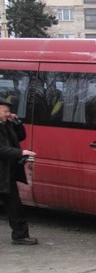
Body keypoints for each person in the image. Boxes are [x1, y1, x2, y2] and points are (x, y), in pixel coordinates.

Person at [0, 97, 38, 245]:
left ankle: (20, 235)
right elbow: (1, 149)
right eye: (5, 111)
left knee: (14, 205)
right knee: (12, 203)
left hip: (6, 173)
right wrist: (21, 153)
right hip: (2, 172)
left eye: (8, 111)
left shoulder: (6, 124)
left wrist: (17, 123)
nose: (8, 114)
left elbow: (21, 136)